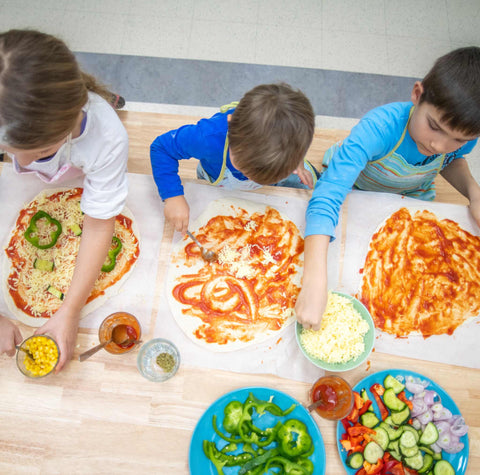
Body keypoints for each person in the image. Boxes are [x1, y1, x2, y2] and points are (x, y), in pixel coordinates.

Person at [296, 46, 480, 331]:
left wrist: (474, 192)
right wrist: (314, 281)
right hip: (355, 190)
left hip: (409, 199)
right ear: (417, 94)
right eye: (434, 127)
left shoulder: (461, 138)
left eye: (457, 139)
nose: (438, 146)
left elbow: (451, 160)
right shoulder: (379, 129)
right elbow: (329, 196)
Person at [0, 29, 129, 370]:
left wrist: (69, 310)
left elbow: (101, 223)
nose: (22, 165)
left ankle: (108, 98)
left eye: (42, 151)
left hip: (84, 166)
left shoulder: (107, 138)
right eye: (8, 152)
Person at [150, 83, 316, 233]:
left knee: (314, 186)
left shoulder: (291, 140)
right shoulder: (207, 138)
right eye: (243, 168)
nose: (250, 177)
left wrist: (297, 163)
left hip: (277, 168)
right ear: (231, 124)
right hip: (219, 178)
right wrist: (172, 196)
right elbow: (162, 148)